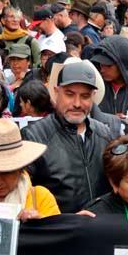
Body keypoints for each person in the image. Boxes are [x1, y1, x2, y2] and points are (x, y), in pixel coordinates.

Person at [22, 60, 115, 213]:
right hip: (58, 231)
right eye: (69, 94)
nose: (77, 103)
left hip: (101, 229)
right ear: (56, 92)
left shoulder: (104, 134)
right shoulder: (34, 136)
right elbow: (21, 191)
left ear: (93, 96)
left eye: (85, 96)